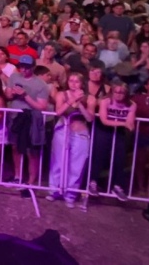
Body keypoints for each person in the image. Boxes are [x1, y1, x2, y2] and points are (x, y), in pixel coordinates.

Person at [48, 71, 95, 208]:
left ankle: (71, 194)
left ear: (82, 83)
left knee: (76, 165)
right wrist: (71, 100)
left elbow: (89, 118)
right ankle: (54, 190)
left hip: (80, 134)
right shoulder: (62, 94)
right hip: (63, 131)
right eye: (71, 81)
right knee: (58, 162)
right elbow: (58, 112)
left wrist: (80, 104)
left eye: (77, 81)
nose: (73, 84)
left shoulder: (90, 98)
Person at [6, 55, 49, 190]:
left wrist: (25, 96)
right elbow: (7, 95)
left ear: (33, 67)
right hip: (15, 117)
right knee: (15, 147)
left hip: (31, 120)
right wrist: (13, 93)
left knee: (31, 152)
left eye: (27, 67)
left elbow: (41, 106)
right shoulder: (14, 77)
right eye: (21, 66)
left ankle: (30, 181)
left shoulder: (41, 84)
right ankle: (17, 176)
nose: (23, 69)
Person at [88, 82, 136, 201]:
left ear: (126, 94)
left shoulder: (132, 104)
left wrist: (125, 124)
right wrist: (123, 123)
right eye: (116, 92)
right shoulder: (106, 101)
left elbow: (130, 123)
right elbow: (104, 120)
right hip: (103, 130)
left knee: (120, 157)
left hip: (119, 132)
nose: (119, 95)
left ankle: (117, 185)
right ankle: (92, 182)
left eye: (122, 92)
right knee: (99, 156)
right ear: (112, 92)